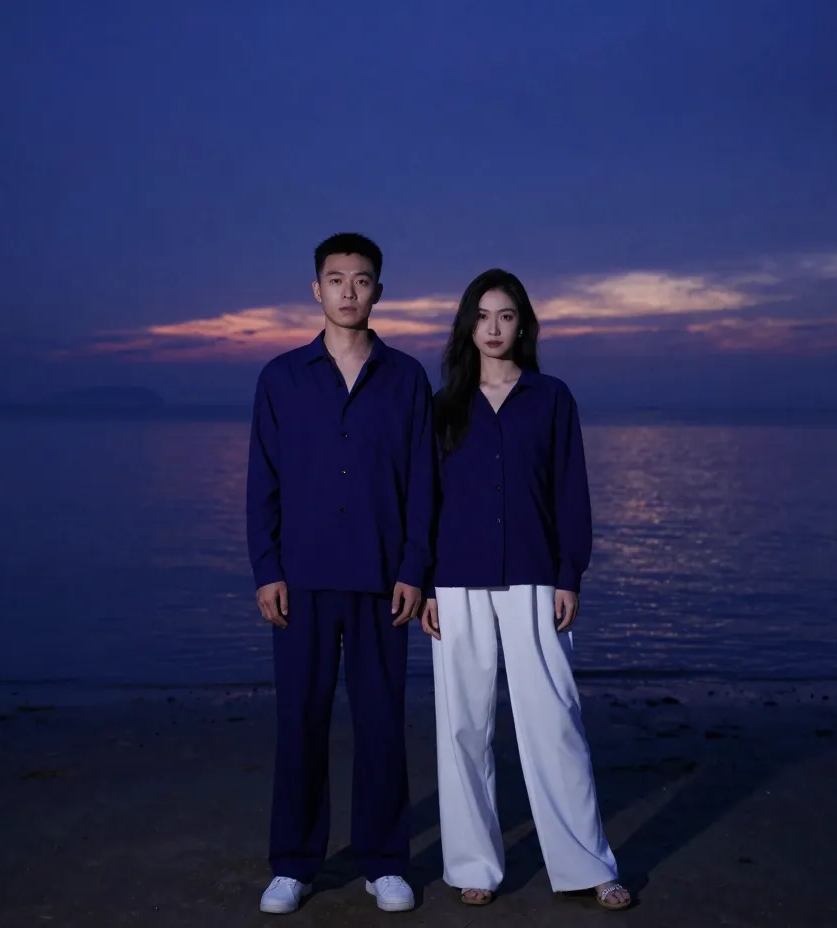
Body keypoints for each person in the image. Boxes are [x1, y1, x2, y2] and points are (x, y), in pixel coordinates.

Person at [420, 268, 631, 910]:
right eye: (482, 316)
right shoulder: (442, 405)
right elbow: (424, 499)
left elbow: (571, 491)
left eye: (506, 315)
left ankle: (588, 864)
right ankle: (474, 866)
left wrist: (571, 573)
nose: (493, 328)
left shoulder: (551, 397)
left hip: (536, 575)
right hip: (454, 579)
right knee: (463, 726)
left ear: (523, 324)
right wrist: (427, 584)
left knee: (554, 722)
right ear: (467, 324)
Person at [247, 233, 435, 915]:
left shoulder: (408, 378)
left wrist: (415, 568)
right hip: (302, 577)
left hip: (383, 579)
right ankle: (295, 863)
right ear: (316, 290)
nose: (349, 291)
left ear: (379, 290)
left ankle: (385, 860)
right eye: (336, 279)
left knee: (382, 721)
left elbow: (423, 482)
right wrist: (266, 568)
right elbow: (261, 481)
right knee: (301, 719)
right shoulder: (280, 377)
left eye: (362, 280)